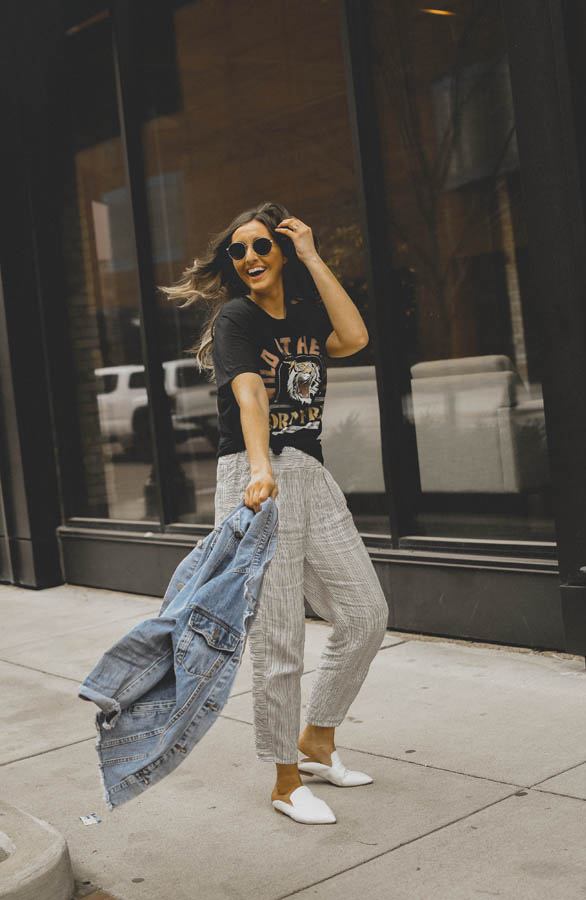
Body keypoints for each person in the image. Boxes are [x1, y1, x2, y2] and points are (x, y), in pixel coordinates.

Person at [161, 201, 389, 825]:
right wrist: (261, 467)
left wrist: (315, 255)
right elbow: (249, 393)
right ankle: (285, 782)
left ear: (282, 251)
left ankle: (317, 740)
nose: (250, 258)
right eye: (238, 251)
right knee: (280, 636)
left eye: (262, 246)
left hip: (310, 474)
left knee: (366, 613)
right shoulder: (235, 318)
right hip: (256, 475)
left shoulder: (309, 315)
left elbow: (356, 337)